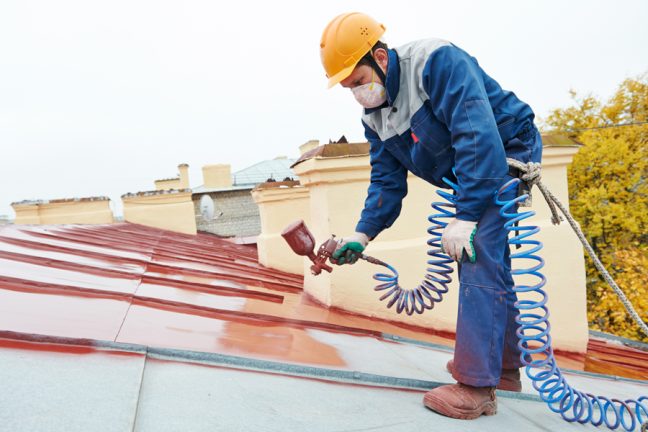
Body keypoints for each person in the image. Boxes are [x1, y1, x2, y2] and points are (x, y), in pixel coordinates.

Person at [320, 12, 543, 420]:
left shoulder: (437, 62)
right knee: (489, 254)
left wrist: (467, 215)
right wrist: (362, 235)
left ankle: (477, 387)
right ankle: (505, 369)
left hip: (505, 150)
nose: (357, 93)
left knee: (475, 251)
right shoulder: (375, 117)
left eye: (358, 81)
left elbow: (477, 135)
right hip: (470, 164)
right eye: (349, 88)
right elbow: (386, 184)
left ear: (382, 59)